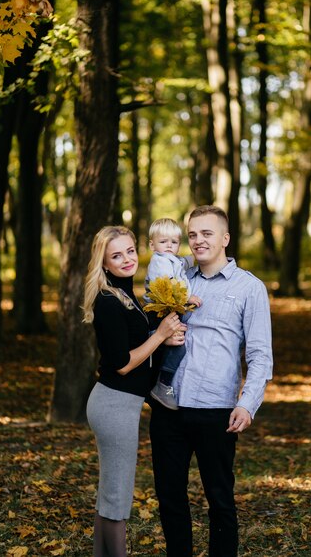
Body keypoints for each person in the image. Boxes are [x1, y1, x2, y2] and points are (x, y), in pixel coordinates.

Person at [149, 205, 273, 557]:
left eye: (206, 233)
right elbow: (147, 320)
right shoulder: (176, 278)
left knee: (219, 498)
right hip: (168, 406)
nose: (198, 241)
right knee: (170, 497)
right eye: (192, 234)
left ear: (225, 238)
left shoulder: (249, 287)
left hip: (215, 409)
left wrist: (247, 403)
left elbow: (260, 354)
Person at [83, 225, 184, 557]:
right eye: (116, 255)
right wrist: (159, 336)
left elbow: (138, 350)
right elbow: (122, 363)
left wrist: (162, 338)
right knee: (118, 496)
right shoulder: (109, 301)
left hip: (121, 404)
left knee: (110, 493)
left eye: (129, 251)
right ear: (105, 263)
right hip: (113, 406)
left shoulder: (126, 293)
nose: (126, 259)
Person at [144, 218, 202, 410]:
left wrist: (199, 254)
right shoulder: (159, 263)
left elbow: (184, 262)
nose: (169, 245)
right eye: (163, 242)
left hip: (170, 308)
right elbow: (168, 284)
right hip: (161, 310)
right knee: (178, 347)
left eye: (174, 242)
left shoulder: (171, 259)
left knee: (175, 344)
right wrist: (187, 297)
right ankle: (163, 384)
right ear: (152, 244)